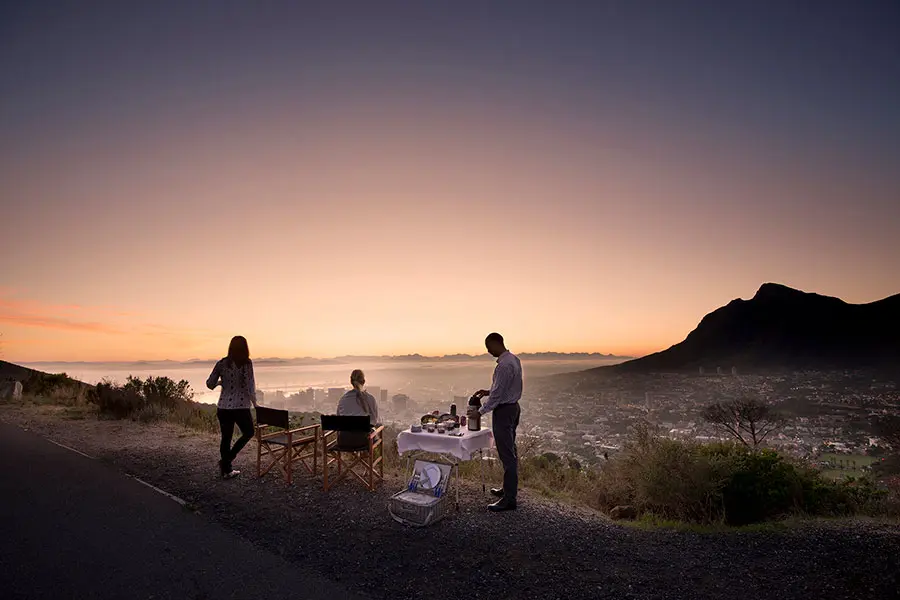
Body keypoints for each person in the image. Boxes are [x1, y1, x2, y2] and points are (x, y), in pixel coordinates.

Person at [468, 332, 523, 512]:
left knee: (507, 454)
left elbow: (499, 396)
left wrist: (480, 413)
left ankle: (509, 499)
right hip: (513, 408)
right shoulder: (514, 360)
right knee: (510, 450)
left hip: (504, 411)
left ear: (496, 343)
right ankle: (508, 490)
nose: (488, 351)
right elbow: (504, 389)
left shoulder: (503, 366)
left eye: (489, 347)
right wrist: (488, 391)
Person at [206, 335, 258, 479]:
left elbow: (210, 384)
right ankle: (226, 462)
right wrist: (255, 404)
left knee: (226, 438)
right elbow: (250, 385)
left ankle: (227, 470)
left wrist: (220, 383)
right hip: (241, 407)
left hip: (223, 407)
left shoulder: (221, 363)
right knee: (248, 432)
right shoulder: (246, 363)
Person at [336, 369, 379, 447]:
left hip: (344, 441)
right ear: (364, 381)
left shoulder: (343, 399)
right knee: (375, 433)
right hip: (363, 440)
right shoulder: (370, 398)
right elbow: (374, 421)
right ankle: (366, 459)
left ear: (351, 381)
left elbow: (338, 420)